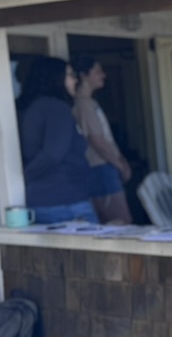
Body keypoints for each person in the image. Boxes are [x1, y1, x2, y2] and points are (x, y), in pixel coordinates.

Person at [17, 57, 98, 225]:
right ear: (56, 78)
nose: (75, 80)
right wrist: (24, 177)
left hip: (46, 200)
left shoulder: (31, 108)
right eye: (70, 75)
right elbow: (53, 154)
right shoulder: (56, 109)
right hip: (65, 203)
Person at [70, 56, 133, 224]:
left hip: (102, 168)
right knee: (121, 223)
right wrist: (120, 165)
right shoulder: (84, 105)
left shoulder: (88, 103)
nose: (103, 75)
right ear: (83, 76)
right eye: (97, 72)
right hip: (100, 169)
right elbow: (97, 141)